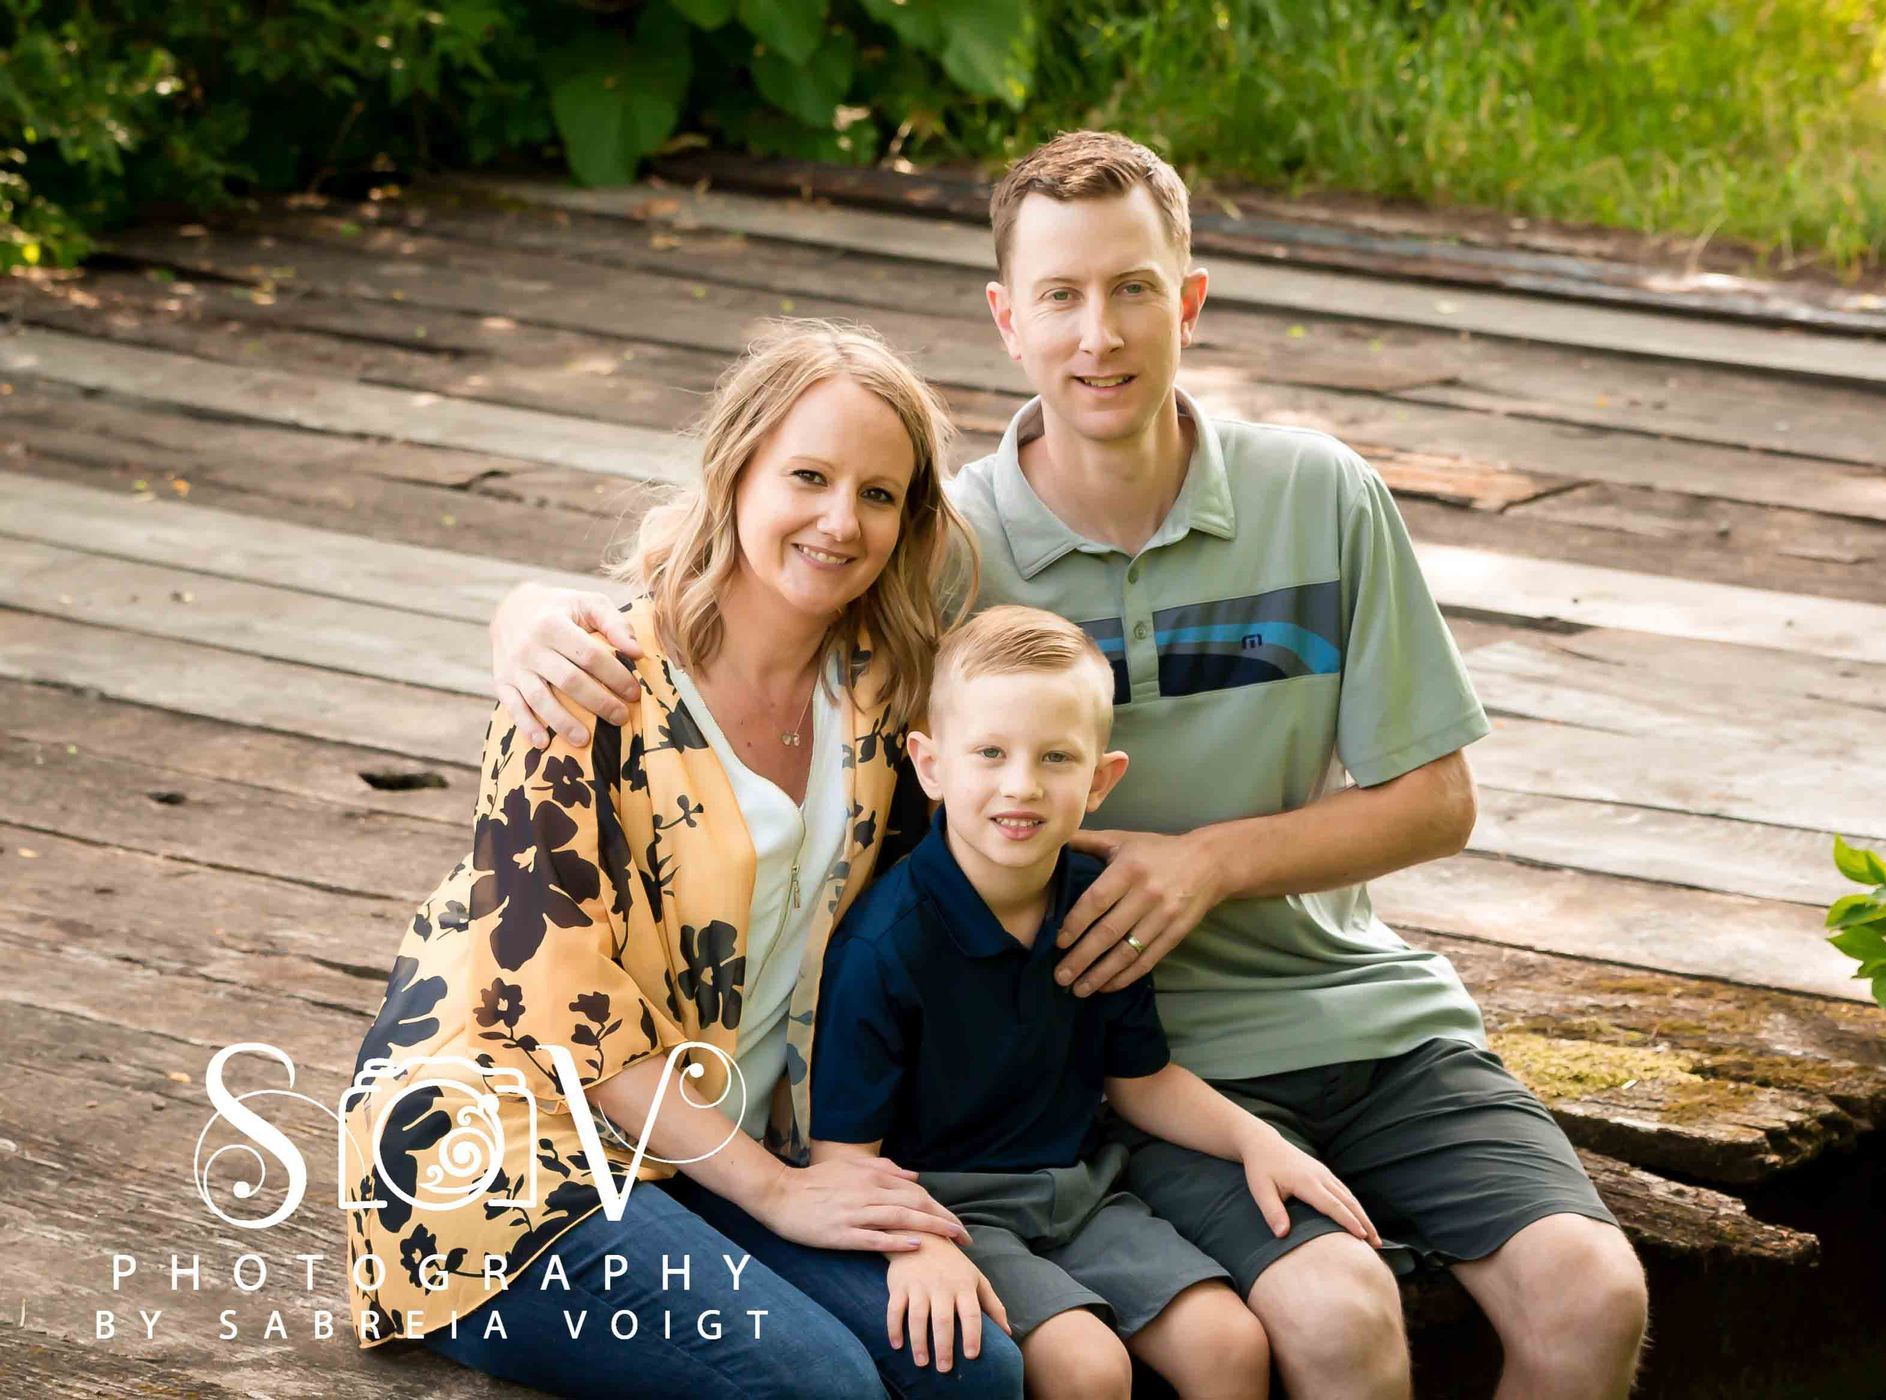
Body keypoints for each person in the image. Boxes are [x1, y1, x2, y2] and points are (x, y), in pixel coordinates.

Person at [488, 133, 1651, 1399]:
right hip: (1117, 1049)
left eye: (1134, 288)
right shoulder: (946, 550)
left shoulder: (1319, 493)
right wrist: (525, 611)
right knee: (1314, 1320)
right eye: (1060, 296)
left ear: (1190, 301)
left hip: (1357, 1015)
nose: (1099, 334)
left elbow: (1442, 798)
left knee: (1595, 1293)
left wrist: (1206, 865)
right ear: (1007, 320)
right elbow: (747, 556)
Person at [339, 319, 1026, 1397]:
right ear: (738, 469)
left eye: (880, 494)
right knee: (822, 1387)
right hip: (515, 1159)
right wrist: (781, 1193)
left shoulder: (886, 695)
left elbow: (906, 945)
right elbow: (563, 1021)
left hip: (718, 1146)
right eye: (808, 474)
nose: (841, 520)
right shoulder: (581, 689)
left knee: (973, 1370)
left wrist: (861, 1179)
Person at [811, 605, 1387, 1399]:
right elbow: (842, 1159)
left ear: (1101, 779)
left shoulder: (1096, 908)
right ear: (930, 763)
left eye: (1055, 757)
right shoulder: (887, 945)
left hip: (1081, 1194)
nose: (1021, 785)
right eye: (990, 753)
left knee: (1228, 1343)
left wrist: (1262, 1143)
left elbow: (1140, 1079)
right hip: (947, 1210)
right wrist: (916, 1247)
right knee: (1087, 1367)